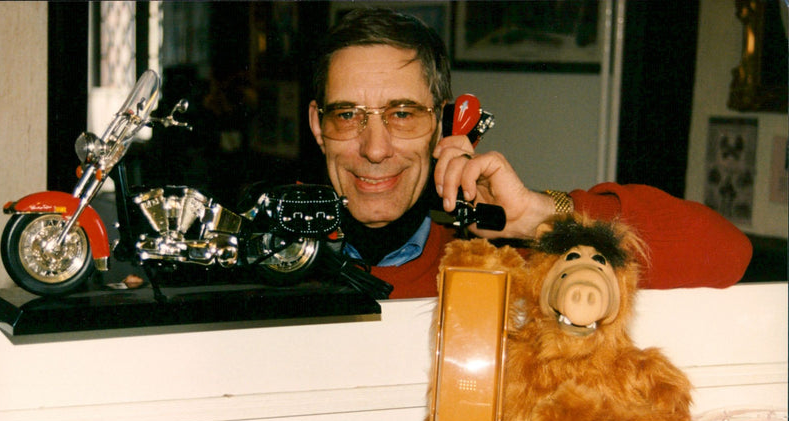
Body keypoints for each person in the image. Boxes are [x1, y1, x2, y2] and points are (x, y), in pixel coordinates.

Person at [307, 8, 752, 299]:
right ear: (317, 126)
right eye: (347, 115)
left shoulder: (499, 258)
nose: (375, 148)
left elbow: (726, 253)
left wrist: (536, 217)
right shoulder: (264, 248)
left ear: (441, 126)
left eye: (402, 114)